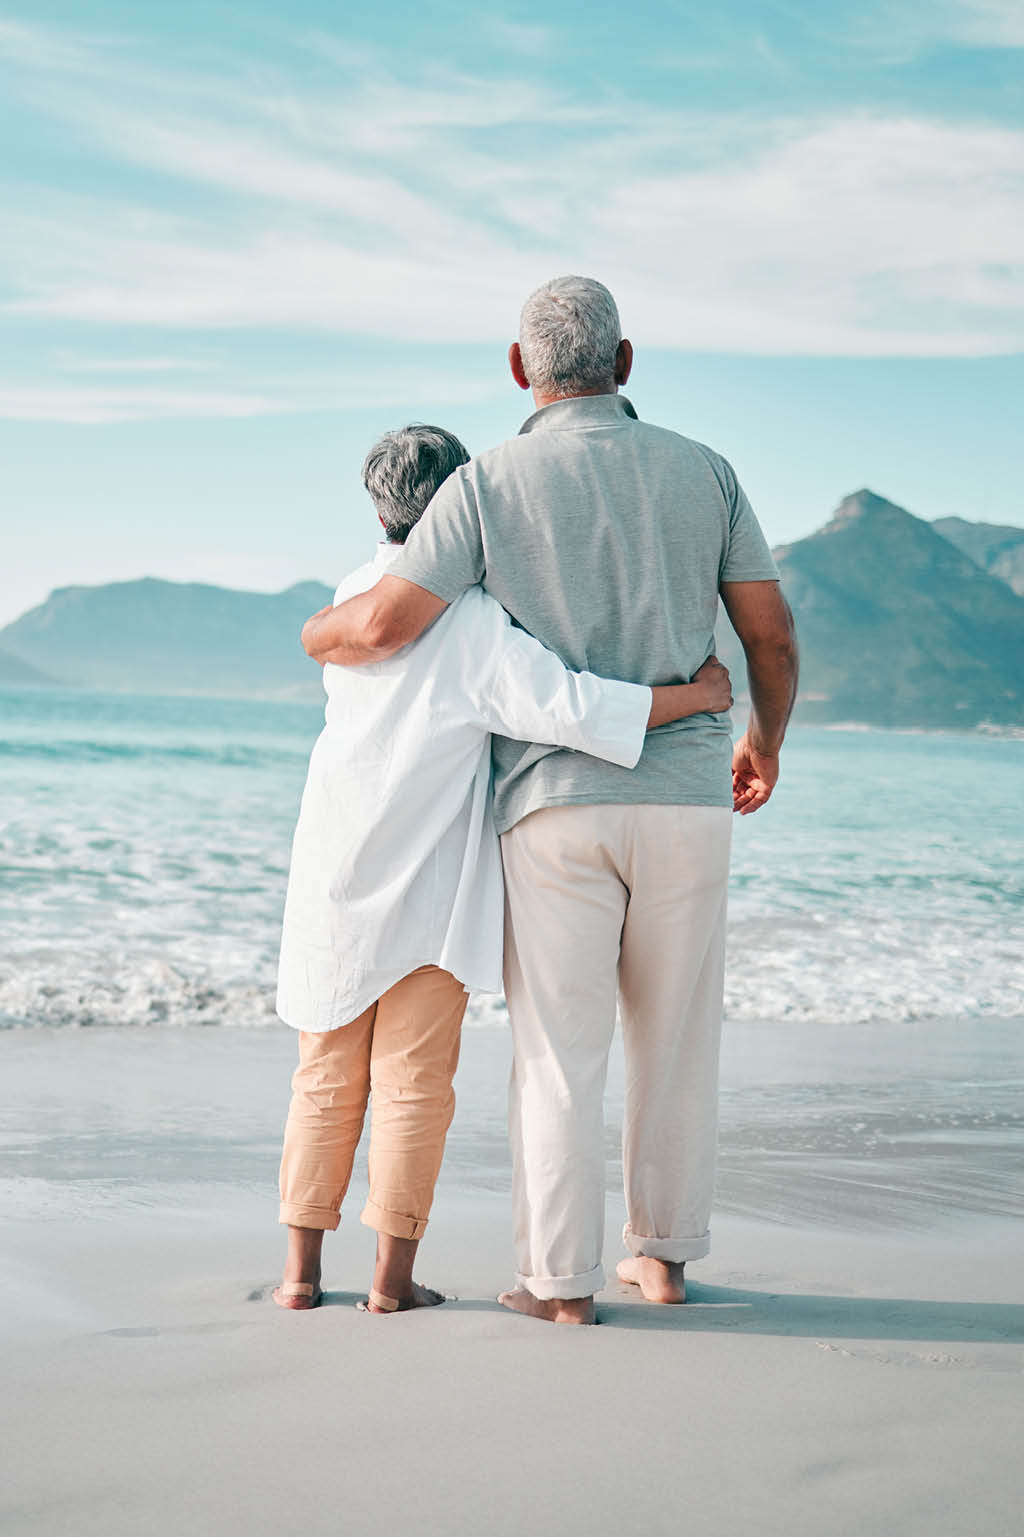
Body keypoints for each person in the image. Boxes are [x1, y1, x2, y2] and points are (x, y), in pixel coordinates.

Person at [302, 278, 798, 1324]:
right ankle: (660, 1259)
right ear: (624, 363)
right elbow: (770, 634)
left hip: (553, 807)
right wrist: (761, 739)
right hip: (689, 795)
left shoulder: (484, 484)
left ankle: (557, 1283)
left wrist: (315, 633)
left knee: (557, 1052)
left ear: (520, 370)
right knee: (676, 1041)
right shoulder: (707, 471)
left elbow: (388, 624)